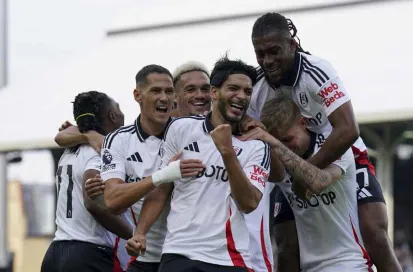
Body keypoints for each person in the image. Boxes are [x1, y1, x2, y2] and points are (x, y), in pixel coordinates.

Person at [248, 12, 401, 271]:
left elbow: (348, 129)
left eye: (274, 51)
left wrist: (307, 174)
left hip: (341, 157)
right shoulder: (257, 87)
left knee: (374, 235)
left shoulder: (317, 71)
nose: (267, 61)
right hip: (288, 165)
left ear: (292, 46)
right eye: (260, 54)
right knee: (285, 246)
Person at [126, 55, 271, 272]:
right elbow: (161, 190)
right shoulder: (181, 129)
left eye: (247, 91)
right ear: (214, 92)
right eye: (233, 88)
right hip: (179, 253)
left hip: (229, 260)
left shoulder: (257, 145)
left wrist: (227, 153)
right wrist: (140, 232)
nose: (241, 96)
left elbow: (249, 203)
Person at [240, 96, 373, 272]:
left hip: (350, 263)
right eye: (278, 141)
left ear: (303, 123)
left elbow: (318, 182)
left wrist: (273, 142)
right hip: (308, 268)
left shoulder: (333, 148)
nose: (285, 148)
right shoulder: (280, 161)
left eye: (287, 140)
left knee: (378, 236)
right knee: (285, 244)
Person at [99, 64, 205, 272]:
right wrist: (163, 175)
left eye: (168, 92)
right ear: (138, 95)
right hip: (146, 255)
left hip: (189, 256)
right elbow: (112, 200)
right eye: (155, 91)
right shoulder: (118, 140)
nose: (164, 98)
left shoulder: (191, 133)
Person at [41, 91, 133, 272]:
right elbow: (92, 203)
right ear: (113, 116)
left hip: (55, 253)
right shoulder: (100, 152)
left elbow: (62, 136)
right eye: (119, 109)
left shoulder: (70, 149)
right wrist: (134, 234)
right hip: (87, 253)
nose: (123, 114)